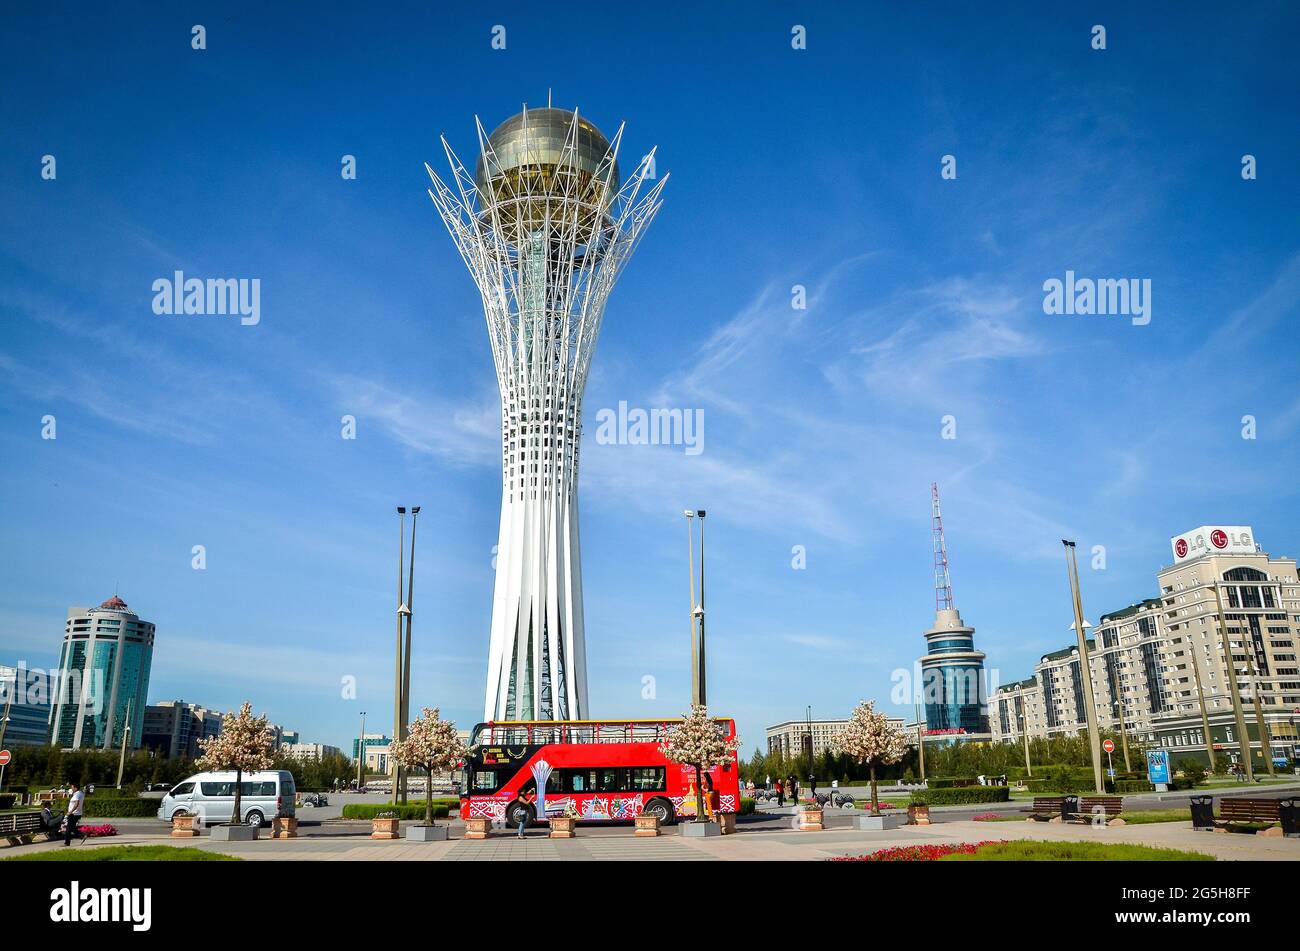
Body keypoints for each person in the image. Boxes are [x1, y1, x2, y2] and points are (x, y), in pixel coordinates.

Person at [64, 782, 84, 847]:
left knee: (68, 828)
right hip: (78, 813)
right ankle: (82, 835)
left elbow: (77, 803)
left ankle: (67, 843)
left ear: (75, 788)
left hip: (73, 814)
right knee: (71, 827)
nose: (71, 788)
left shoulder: (77, 794)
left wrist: (71, 811)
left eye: (72, 787)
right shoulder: (81, 793)